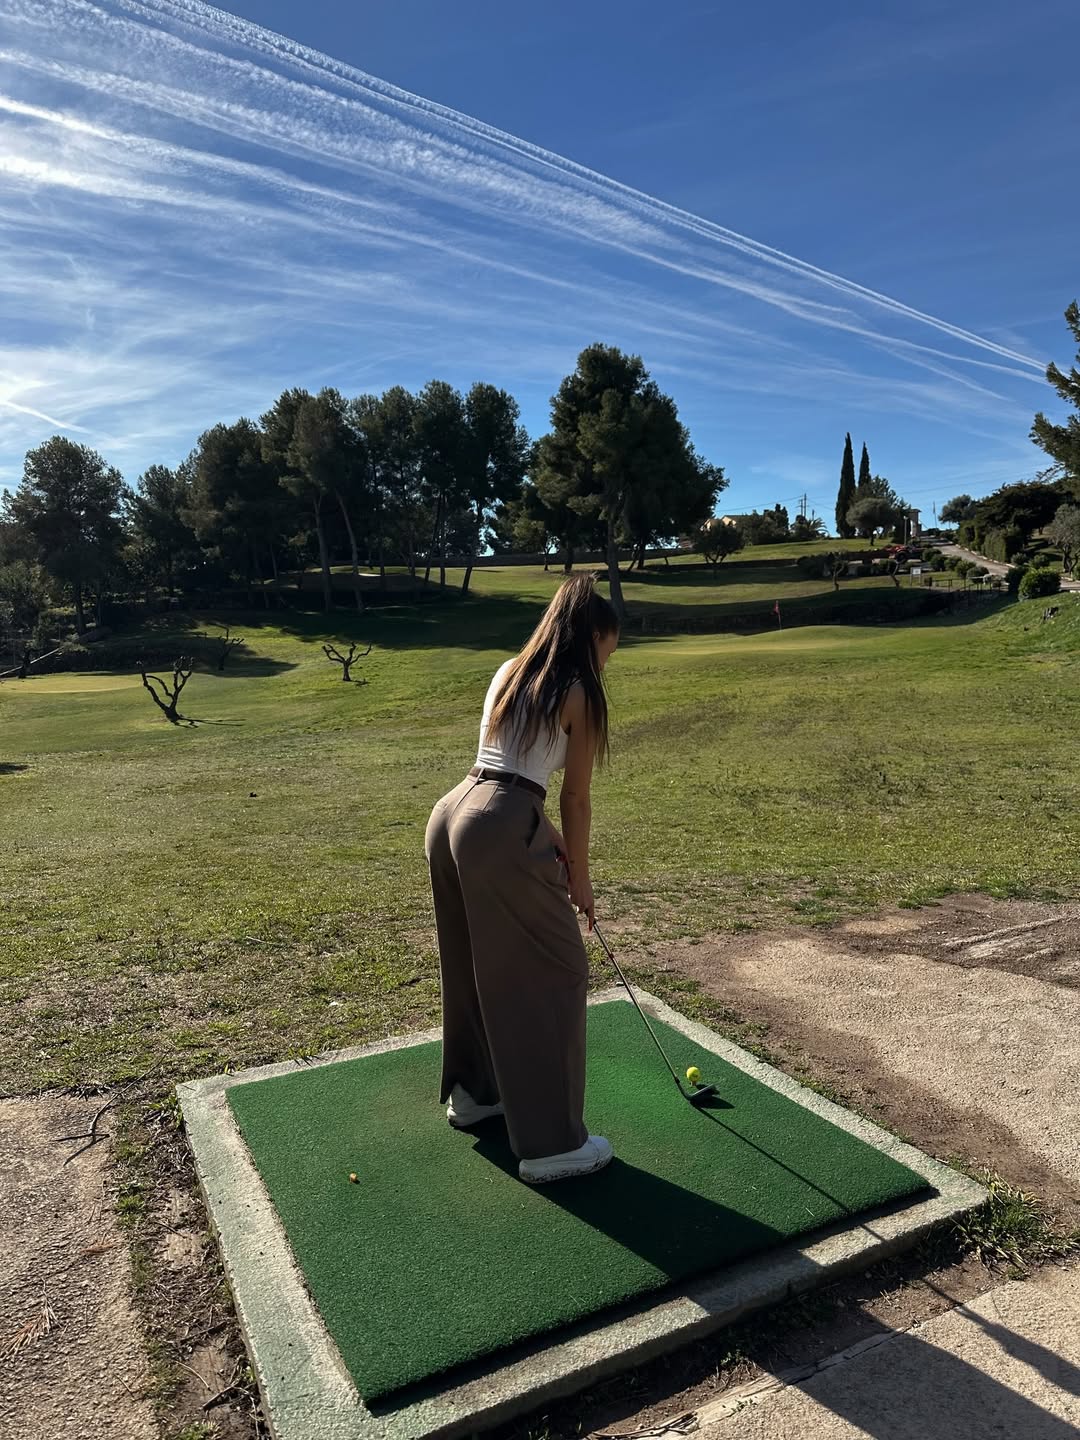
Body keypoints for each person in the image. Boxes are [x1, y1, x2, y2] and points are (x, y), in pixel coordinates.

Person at [424, 574, 619, 1184]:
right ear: (592, 634)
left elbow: (506, 766)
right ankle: (554, 1144)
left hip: (456, 810)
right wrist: (581, 880)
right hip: (502, 821)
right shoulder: (581, 689)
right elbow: (577, 799)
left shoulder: (511, 668)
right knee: (558, 972)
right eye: (609, 647)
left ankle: (477, 1094)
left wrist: (548, 841)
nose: (608, 660)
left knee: (476, 961)